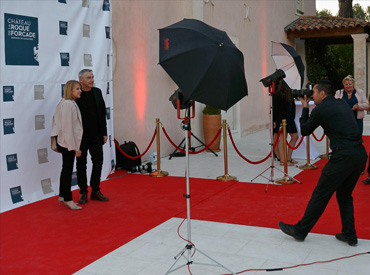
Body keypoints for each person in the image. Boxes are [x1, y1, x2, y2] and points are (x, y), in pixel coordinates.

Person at [278, 80, 367, 246]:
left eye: (314, 93)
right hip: (359, 154)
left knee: (320, 194)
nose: (311, 96)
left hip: (343, 157)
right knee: (345, 196)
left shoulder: (322, 108)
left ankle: (300, 230)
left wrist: (305, 108)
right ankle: (350, 234)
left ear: (322, 94)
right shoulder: (340, 103)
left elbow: (304, 130)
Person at [76, 69, 109, 204]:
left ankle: (95, 190)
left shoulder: (97, 92)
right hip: (81, 136)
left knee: (98, 161)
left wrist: (104, 133)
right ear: (81, 80)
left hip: (96, 134)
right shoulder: (76, 94)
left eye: (92, 77)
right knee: (81, 164)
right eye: (88, 78)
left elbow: (102, 113)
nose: (92, 80)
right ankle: (83, 192)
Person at [51, 80, 83, 210]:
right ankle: (68, 199)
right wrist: (75, 148)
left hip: (65, 142)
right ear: (70, 90)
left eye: (80, 88)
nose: (80, 91)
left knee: (66, 169)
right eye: (77, 89)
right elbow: (67, 128)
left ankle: (63, 196)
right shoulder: (68, 104)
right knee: (67, 170)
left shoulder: (65, 103)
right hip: (67, 143)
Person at [273, 79, 298, 166]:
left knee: (295, 137)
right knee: (283, 138)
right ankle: (283, 161)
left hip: (290, 118)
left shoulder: (290, 94)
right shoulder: (277, 94)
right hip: (282, 119)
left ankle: (288, 158)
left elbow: (293, 107)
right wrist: (275, 121)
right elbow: (275, 109)